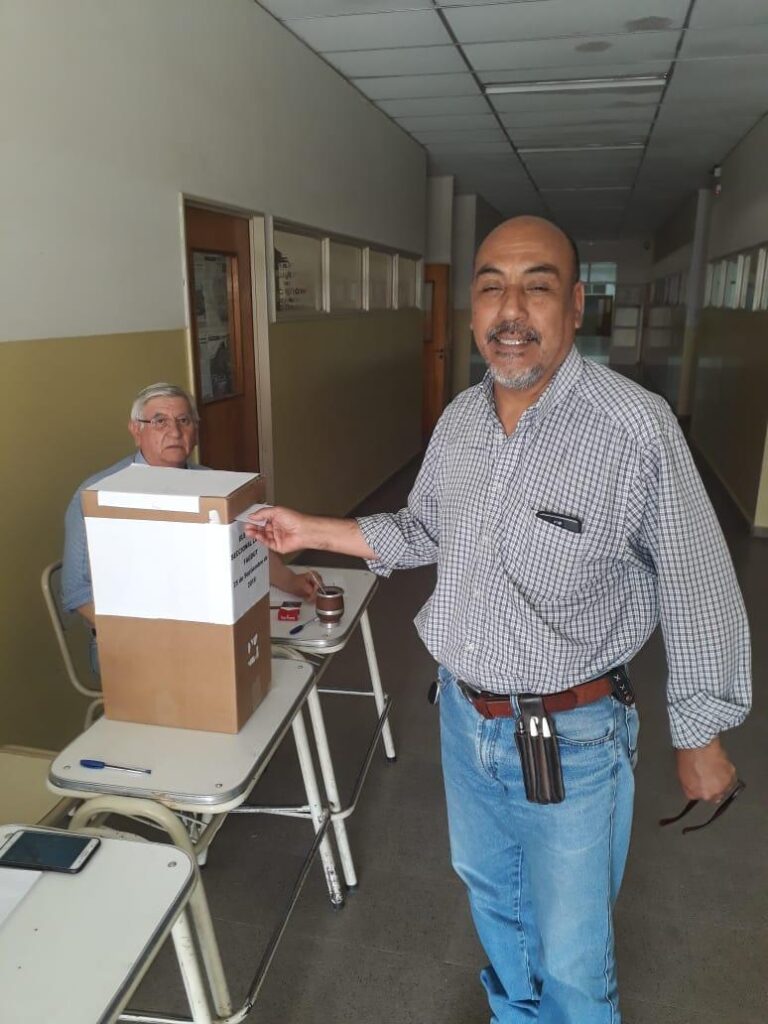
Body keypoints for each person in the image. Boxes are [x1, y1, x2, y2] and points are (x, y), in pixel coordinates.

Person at [244, 217, 751, 1023]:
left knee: (574, 952)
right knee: (495, 905)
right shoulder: (461, 420)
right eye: (491, 288)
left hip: (573, 736)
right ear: (473, 310)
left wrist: (701, 734)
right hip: (464, 718)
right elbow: (423, 531)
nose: (510, 310)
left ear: (575, 305)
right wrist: (312, 530)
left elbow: (698, 581)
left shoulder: (635, 427)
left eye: (536, 287)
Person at [62, 382, 319, 669]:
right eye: (159, 421)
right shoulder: (97, 495)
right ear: (136, 430)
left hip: (207, 628)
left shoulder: (214, 486)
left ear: (195, 431)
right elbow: (77, 593)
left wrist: (290, 581)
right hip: (130, 641)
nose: (174, 432)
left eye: (183, 421)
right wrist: (149, 639)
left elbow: (248, 543)